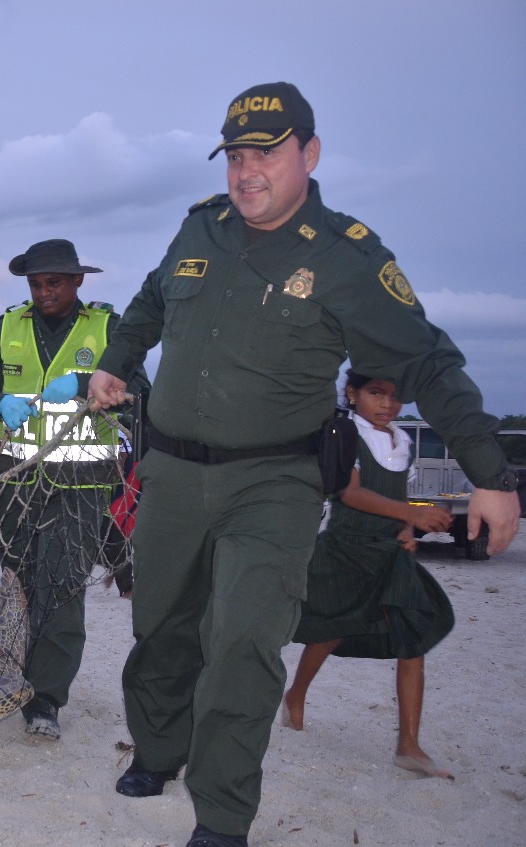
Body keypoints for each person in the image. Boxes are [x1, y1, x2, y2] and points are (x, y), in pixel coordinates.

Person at [86, 82, 520, 847]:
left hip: (274, 483)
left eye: (267, 153)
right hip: (174, 475)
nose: (247, 172)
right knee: (161, 628)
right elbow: (150, 303)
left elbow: (430, 361)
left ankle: (221, 817)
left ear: (309, 154)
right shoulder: (200, 230)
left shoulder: (349, 257)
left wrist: (490, 472)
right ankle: (157, 749)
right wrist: (117, 362)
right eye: (237, 156)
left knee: (244, 643)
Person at [0, 238, 140, 742]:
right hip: (16, 480)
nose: (44, 293)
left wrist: (87, 380)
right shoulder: (6, 326)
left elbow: (138, 389)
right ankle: (13, 676)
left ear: (78, 281)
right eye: (36, 284)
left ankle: (46, 698)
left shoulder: (107, 326)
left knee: (62, 587)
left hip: (81, 483)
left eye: (54, 283)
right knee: (21, 582)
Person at [282, 371, 456, 779]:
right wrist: (413, 514)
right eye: (376, 394)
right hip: (348, 549)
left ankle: (408, 745)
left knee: (413, 637)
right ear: (352, 393)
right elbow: (351, 493)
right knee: (331, 630)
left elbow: (399, 497)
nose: (387, 405)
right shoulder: (347, 434)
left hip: (391, 553)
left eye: (396, 397)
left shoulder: (402, 441)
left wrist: (408, 529)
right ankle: (295, 694)